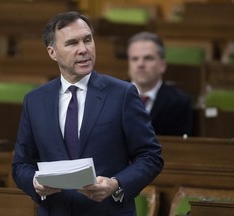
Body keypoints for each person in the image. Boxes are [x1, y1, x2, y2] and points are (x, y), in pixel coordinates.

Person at [12, 11, 163, 216]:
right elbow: (21, 164)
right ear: (52, 52)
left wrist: (115, 185)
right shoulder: (35, 100)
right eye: (72, 43)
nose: (83, 50)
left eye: (88, 40)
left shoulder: (122, 94)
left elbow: (150, 156)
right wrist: (34, 182)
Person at [127, 31, 193, 136]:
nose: (140, 64)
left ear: (162, 65)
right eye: (135, 59)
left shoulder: (179, 103)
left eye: (148, 58)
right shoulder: (112, 96)